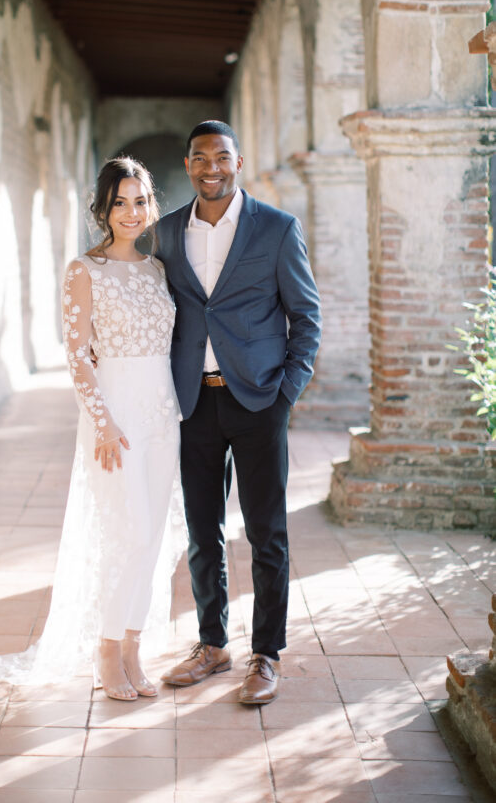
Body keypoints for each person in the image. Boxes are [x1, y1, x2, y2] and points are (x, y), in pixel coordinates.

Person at [0, 157, 183, 700]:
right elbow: (77, 358)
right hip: (114, 420)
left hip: (163, 417)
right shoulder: (83, 270)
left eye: (140, 201)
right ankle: (106, 650)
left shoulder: (157, 270)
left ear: (150, 207)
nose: (132, 212)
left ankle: (135, 647)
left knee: (154, 540)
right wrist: (103, 424)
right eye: (121, 202)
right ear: (104, 208)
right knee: (129, 532)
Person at [155, 120, 321, 705]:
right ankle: (212, 644)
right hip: (193, 402)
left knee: (266, 533)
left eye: (221, 157)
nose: (211, 167)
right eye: (200, 158)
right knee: (203, 532)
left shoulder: (276, 229)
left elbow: (307, 318)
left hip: (257, 400)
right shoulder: (168, 234)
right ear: (188, 165)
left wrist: (286, 394)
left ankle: (267, 655)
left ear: (239, 162)